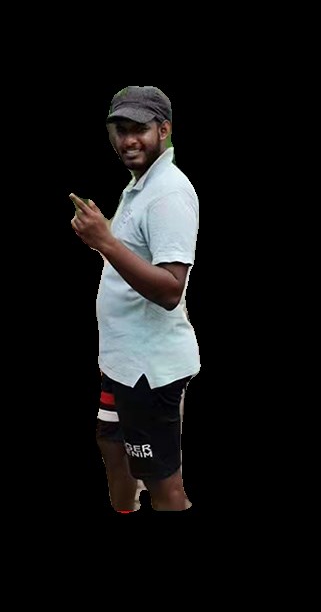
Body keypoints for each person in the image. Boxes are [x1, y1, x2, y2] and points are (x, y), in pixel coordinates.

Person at [70, 86, 199, 512]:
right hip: (123, 362)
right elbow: (138, 255)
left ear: (164, 130)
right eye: (120, 130)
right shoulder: (141, 185)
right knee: (110, 441)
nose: (128, 140)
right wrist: (106, 235)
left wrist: (105, 242)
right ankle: (124, 511)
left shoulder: (168, 194)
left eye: (139, 129)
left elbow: (170, 290)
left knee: (163, 484)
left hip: (150, 371)